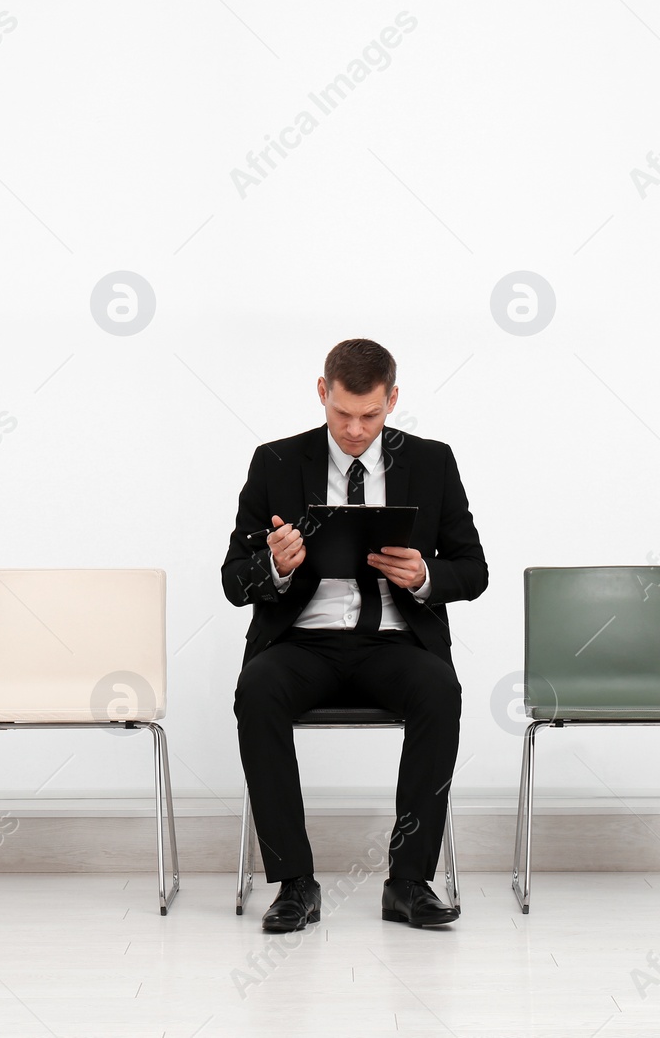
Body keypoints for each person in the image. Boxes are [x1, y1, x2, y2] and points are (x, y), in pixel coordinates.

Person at [220, 338, 488, 932]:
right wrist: (276, 567)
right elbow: (233, 581)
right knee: (256, 690)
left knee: (440, 691)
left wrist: (424, 576)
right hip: (301, 644)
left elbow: (474, 570)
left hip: (394, 643)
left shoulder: (433, 462)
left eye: (370, 415)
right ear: (323, 393)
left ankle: (409, 884)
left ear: (393, 399)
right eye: (342, 413)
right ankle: (294, 884)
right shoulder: (276, 462)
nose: (355, 430)